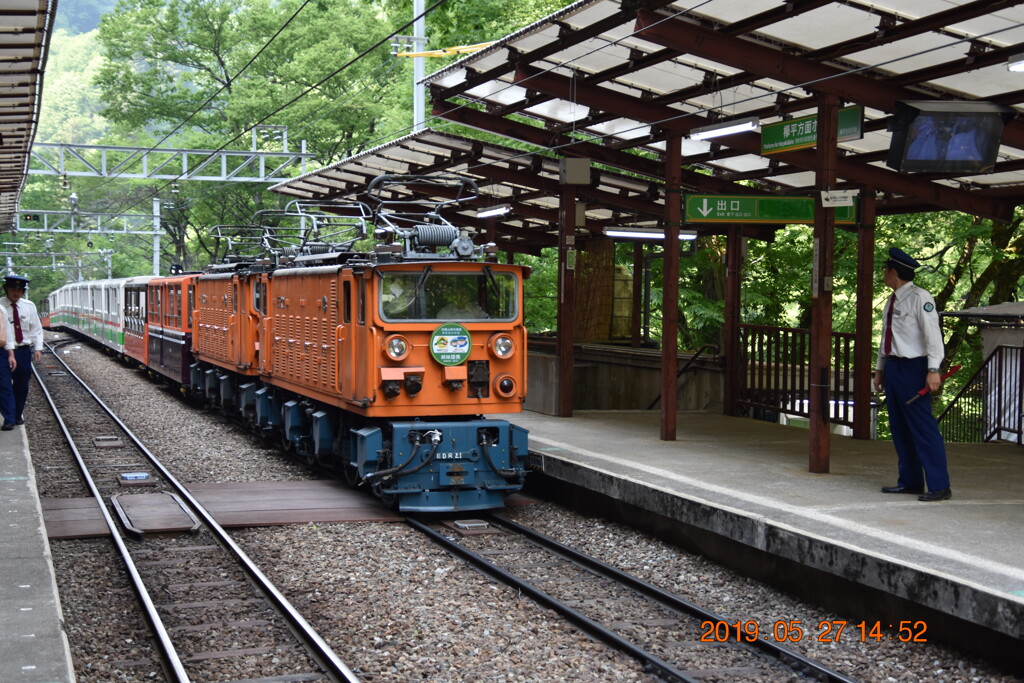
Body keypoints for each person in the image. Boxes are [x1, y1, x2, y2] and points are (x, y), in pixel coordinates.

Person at [873, 248, 951, 502]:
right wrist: (880, 370)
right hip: (894, 367)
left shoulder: (920, 297)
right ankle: (910, 481)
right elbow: (886, 338)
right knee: (900, 427)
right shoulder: (892, 299)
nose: (883, 274)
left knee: (922, 428)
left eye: (885, 270)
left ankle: (939, 485)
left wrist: (933, 369)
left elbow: (933, 337)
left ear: (893, 271)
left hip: (914, 368)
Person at [2, 275, 44, 428]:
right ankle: (9, 418)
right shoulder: (0, 306)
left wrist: (38, 348)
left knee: (22, 384)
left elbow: (36, 329)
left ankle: (17, 413)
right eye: (13, 289)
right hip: (3, 351)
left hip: (22, 351)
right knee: (4, 385)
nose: (16, 293)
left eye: (20, 290)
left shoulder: (29, 306)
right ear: (6, 289)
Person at [0, 299, 16, 431]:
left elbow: (8, 335)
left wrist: (11, 354)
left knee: (5, 386)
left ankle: (9, 419)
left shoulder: (1, 310)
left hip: (0, 351)